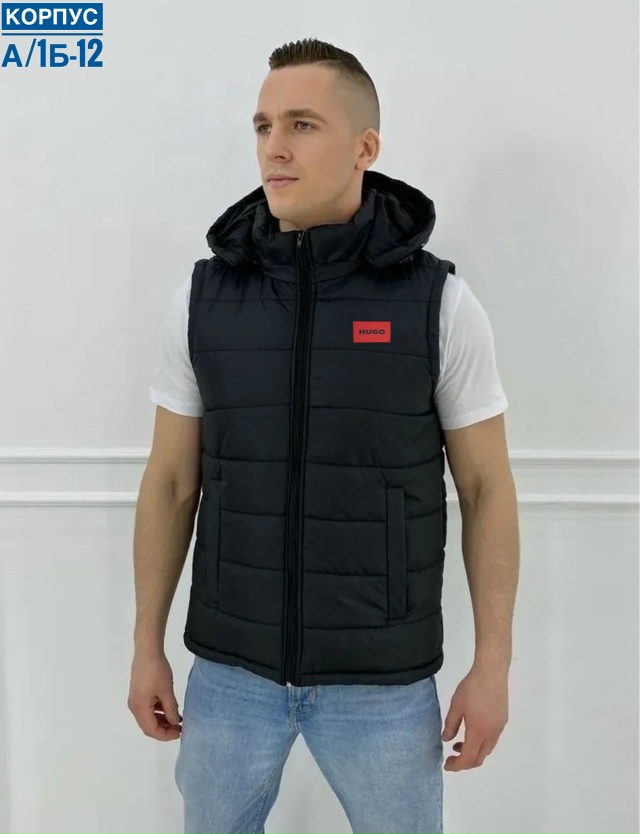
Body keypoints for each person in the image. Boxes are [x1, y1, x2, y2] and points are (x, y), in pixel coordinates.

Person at [128, 37, 520, 834]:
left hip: (383, 685)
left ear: (365, 147)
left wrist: (494, 666)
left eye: (302, 124)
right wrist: (146, 644)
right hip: (230, 675)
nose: (274, 146)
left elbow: (487, 489)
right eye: (264, 124)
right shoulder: (204, 300)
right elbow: (169, 483)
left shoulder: (439, 304)